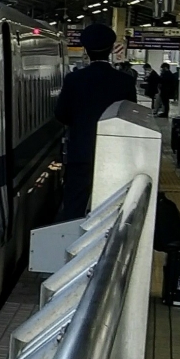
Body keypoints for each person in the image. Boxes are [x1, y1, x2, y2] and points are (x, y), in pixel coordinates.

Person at [56, 24, 135, 220]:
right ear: (110, 50)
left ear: (86, 50)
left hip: (81, 152)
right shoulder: (124, 81)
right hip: (115, 154)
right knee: (111, 204)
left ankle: (71, 242)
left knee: (74, 203)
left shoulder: (74, 79)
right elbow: (131, 116)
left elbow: (61, 113)